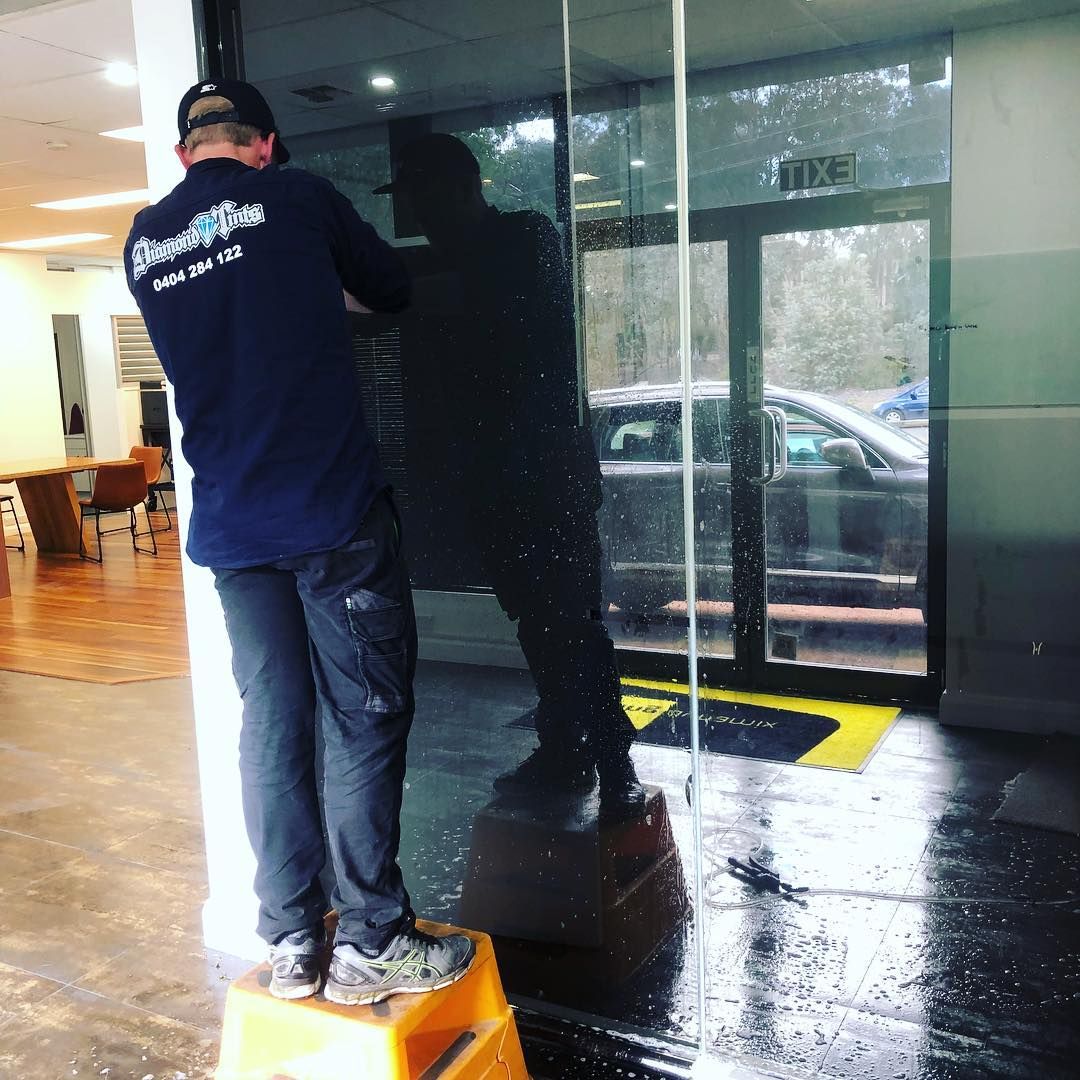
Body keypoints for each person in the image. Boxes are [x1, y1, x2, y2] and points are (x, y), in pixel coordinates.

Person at [124, 80, 474, 1005]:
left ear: (183, 155)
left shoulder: (147, 239)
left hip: (234, 530)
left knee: (273, 727)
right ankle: (370, 940)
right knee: (362, 716)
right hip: (329, 518)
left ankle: (289, 940)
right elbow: (391, 290)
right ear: (265, 146)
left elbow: (231, 322)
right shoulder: (300, 198)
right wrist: (323, 291)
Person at [374, 134, 645, 817]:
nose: (416, 217)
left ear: (463, 189)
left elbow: (482, 301)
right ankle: (567, 747)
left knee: (571, 620)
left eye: (423, 198)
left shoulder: (525, 240)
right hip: (497, 479)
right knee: (536, 618)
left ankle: (613, 758)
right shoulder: (458, 260)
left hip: (547, 475)